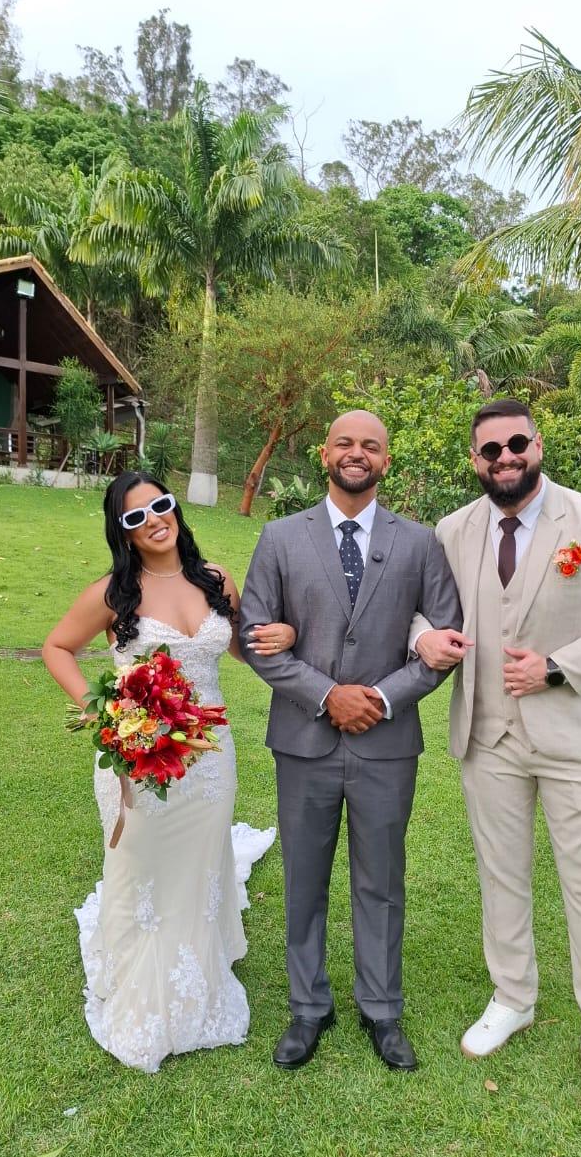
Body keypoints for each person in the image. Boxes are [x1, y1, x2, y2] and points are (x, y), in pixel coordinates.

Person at [412, 399, 581, 1107]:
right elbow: (423, 608)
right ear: (475, 460)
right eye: (490, 450)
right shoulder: (454, 529)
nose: (506, 458)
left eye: (517, 443)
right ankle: (512, 996)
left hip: (574, 741)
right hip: (487, 736)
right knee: (501, 876)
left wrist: (557, 666)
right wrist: (421, 637)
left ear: (538, 445)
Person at [42, 471, 295, 1073]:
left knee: (201, 857)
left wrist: (280, 634)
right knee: (142, 862)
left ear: (174, 507)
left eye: (160, 505)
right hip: (140, 755)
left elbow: (240, 648)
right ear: (123, 532)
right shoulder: (113, 594)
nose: (154, 520)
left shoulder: (215, 580)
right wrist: (101, 713)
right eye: (136, 517)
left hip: (210, 755)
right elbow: (57, 648)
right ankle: (138, 968)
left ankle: (199, 956)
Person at [239, 411, 462, 1072]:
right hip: (303, 740)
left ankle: (381, 1008)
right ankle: (308, 1006)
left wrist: (383, 698)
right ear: (325, 454)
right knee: (303, 878)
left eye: (370, 445)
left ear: (385, 460)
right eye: (345, 443)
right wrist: (326, 694)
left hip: (386, 745)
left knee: (381, 881)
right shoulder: (280, 537)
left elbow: (445, 640)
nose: (356, 453)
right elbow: (256, 635)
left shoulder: (420, 543)